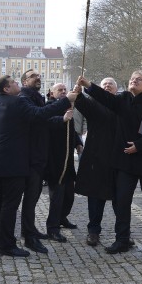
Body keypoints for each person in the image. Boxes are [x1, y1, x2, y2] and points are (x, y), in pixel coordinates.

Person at [76, 71, 142, 258]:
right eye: (132, 79)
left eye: (138, 80)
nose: (134, 81)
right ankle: (122, 240)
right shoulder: (123, 99)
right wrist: (88, 84)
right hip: (125, 162)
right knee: (122, 202)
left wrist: (139, 146)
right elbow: (104, 97)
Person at [0, 75, 76, 258]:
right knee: (10, 204)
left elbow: (36, 120)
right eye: (14, 83)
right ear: (6, 89)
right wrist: (67, 100)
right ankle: (7, 245)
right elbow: (39, 114)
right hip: (13, 162)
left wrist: (61, 119)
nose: (17, 84)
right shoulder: (17, 103)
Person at [74, 77, 119, 247]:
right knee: (95, 198)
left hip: (117, 158)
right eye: (104, 84)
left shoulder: (121, 104)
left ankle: (123, 233)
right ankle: (93, 231)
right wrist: (78, 94)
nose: (107, 86)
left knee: (120, 199)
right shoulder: (93, 103)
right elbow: (83, 104)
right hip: (97, 157)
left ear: (116, 89)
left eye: (110, 84)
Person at [18, 69, 52, 254]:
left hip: (39, 153)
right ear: (24, 81)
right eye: (33, 76)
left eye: (39, 75)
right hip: (30, 155)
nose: (38, 77)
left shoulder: (37, 97)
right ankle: (28, 235)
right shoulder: (24, 97)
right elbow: (39, 116)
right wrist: (64, 102)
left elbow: (44, 119)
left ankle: (29, 229)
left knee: (34, 195)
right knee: (30, 197)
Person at [45, 83, 83, 243]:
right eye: (59, 90)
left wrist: (78, 142)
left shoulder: (69, 106)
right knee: (57, 196)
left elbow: (72, 130)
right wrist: (62, 118)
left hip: (68, 160)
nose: (62, 92)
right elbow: (46, 121)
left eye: (64, 90)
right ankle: (52, 227)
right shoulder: (49, 107)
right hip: (55, 159)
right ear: (52, 93)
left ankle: (62, 217)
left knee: (69, 195)